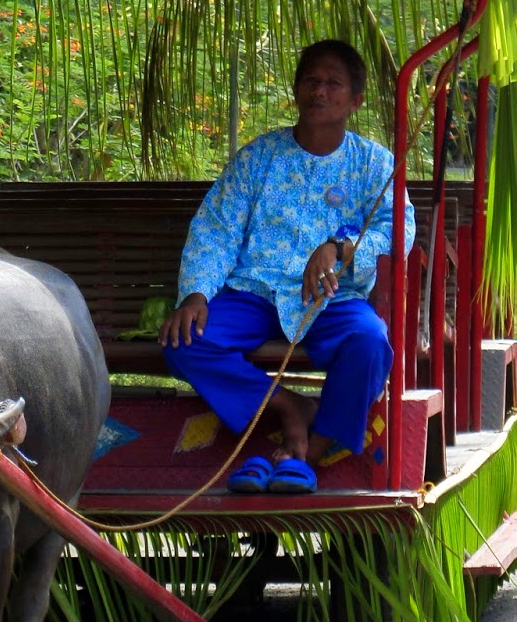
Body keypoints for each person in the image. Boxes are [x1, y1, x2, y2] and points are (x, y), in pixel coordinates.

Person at [157, 40, 415, 494]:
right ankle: (289, 406)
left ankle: (310, 454)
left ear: (355, 100)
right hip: (254, 294)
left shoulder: (374, 163)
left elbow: (399, 230)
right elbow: (217, 228)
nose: (319, 91)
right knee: (184, 340)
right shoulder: (259, 157)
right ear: (296, 90)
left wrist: (341, 246)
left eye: (333, 84)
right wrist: (196, 293)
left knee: (371, 342)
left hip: (333, 299)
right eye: (311, 81)